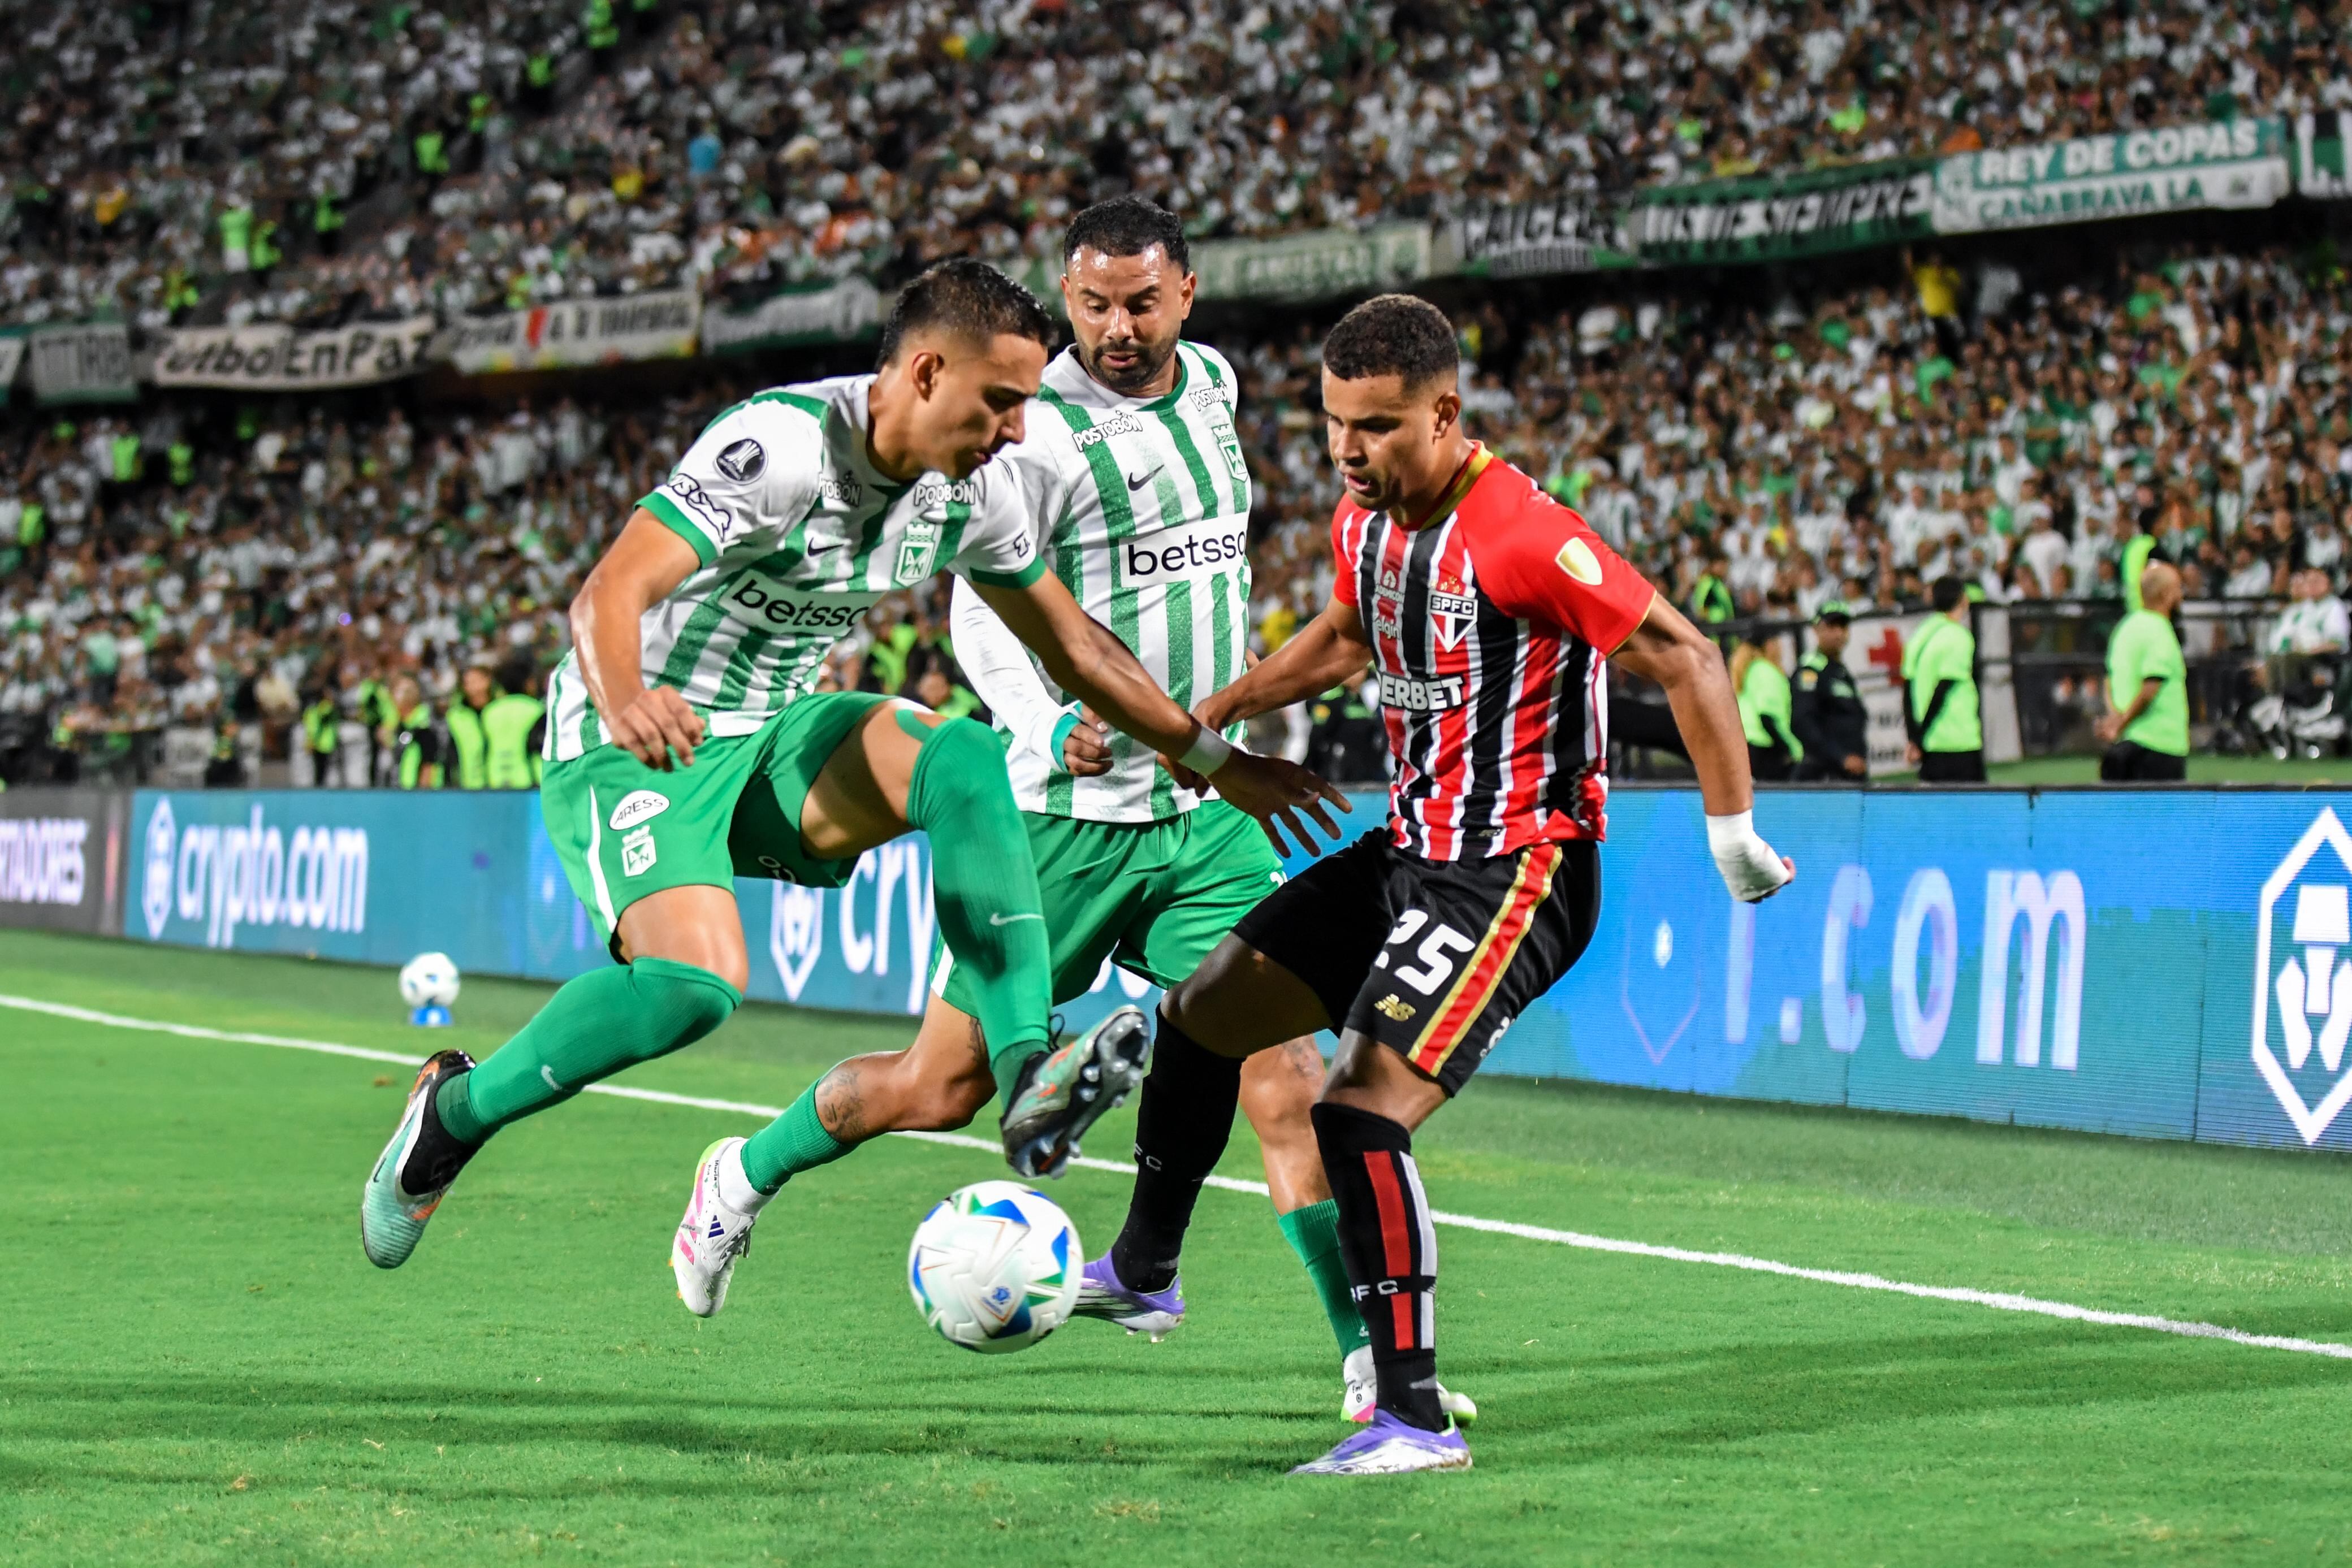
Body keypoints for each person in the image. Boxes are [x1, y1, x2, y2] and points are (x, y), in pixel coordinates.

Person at [359, 260, 1342, 1293]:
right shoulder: (780, 448)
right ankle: (455, 1112)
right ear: (926, 374)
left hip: (777, 732)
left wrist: (1217, 759)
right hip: (642, 736)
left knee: (966, 758)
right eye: (1001, 401)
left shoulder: (975, 488)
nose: (1018, 429)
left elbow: (1079, 650)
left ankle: (1029, 1075)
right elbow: (610, 589)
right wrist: (625, 697)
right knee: (692, 989)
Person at [1079, 295, 1793, 1476]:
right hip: (1410, 849)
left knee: (1357, 1110)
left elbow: (1685, 653)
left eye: (1375, 426)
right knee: (1203, 1013)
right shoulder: (1365, 520)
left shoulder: (1524, 535)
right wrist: (1224, 709)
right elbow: (1347, 635)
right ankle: (1145, 1270)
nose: (1347, 450)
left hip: (1517, 868)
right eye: (1332, 423)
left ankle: (1410, 1417)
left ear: (1445, 413)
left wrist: (1734, 833)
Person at [871, 197, 1455, 1424]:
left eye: (1142, 302)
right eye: (1093, 305)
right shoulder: (1031, 429)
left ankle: (1365, 1358)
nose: (1119, 327)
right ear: (1065, 299)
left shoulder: (1217, 386)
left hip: (1206, 809)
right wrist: (1044, 725)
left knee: (1288, 1075)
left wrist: (1230, 720)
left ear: (1186, 292)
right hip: (1070, 807)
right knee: (940, 1084)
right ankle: (746, 1175)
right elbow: (981, 604)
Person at [2097, 561, 2189, 781]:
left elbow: (2109, 682)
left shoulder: (2124, 628)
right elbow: (2150, 689)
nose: (2181, 596)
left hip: (2123, 747)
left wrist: (2115, 720)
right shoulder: (2161, 630)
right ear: (2166, 595)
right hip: (2160, 747)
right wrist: (2121, 724)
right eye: (2178, 589)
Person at [1903, 575, 1983, 782]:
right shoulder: (1959, 636)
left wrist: (1915, 738)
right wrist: (1920, 736)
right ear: (1963, 599)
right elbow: (1943, 689)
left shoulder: (1919, 635)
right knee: (1977, 803)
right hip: (1959, 742)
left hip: (1931, 746)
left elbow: (1907, 691)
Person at [1791, 603, 1869, 781]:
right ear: (1817, 629)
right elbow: (1803, 722)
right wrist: (1841, 758)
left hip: (1849, 773)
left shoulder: (1840, 671)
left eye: (1843, 627)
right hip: (1825, 775)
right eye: (1831, 627)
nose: (1839, 633)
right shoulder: (1811, 670)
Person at [1732, 630, 1799, 782]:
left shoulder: (1751, 670)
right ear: (1770, 645)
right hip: (1765, 747)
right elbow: (1767, 716)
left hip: (1748, 744)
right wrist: (1788, 749)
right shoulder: (1766, 671)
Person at [479, 653, 545, 789]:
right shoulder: (536, 709)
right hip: (529, 777)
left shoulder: (490, 711)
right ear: (527, 682)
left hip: (494, 777)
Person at [444, 664, 494, 789]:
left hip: (500, 784)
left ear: (488, 681)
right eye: (467, 683)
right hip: (468, 786)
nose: (472, 687)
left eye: (476, 681)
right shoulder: (457, 716)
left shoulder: (498, 711)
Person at [390, 673, 443, 789]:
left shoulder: (424, 725)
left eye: (406, 691)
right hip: (402, 791)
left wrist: (422, 795)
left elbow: (429, 764)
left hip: (419, 794)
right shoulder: (402, 724)